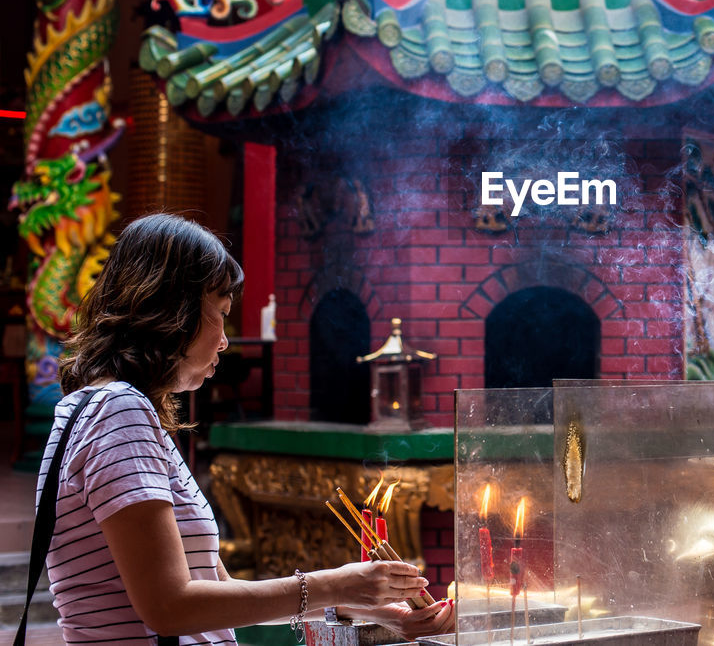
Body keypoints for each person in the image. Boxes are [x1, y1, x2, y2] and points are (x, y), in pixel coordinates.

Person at [38, 213, 455, 645]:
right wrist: (334, 583)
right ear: (172, 312)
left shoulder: (97, 410)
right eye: (219, 313)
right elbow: (167, 607)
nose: (224, 340)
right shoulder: (119, 411)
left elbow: (218, 595)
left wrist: (365, 607)